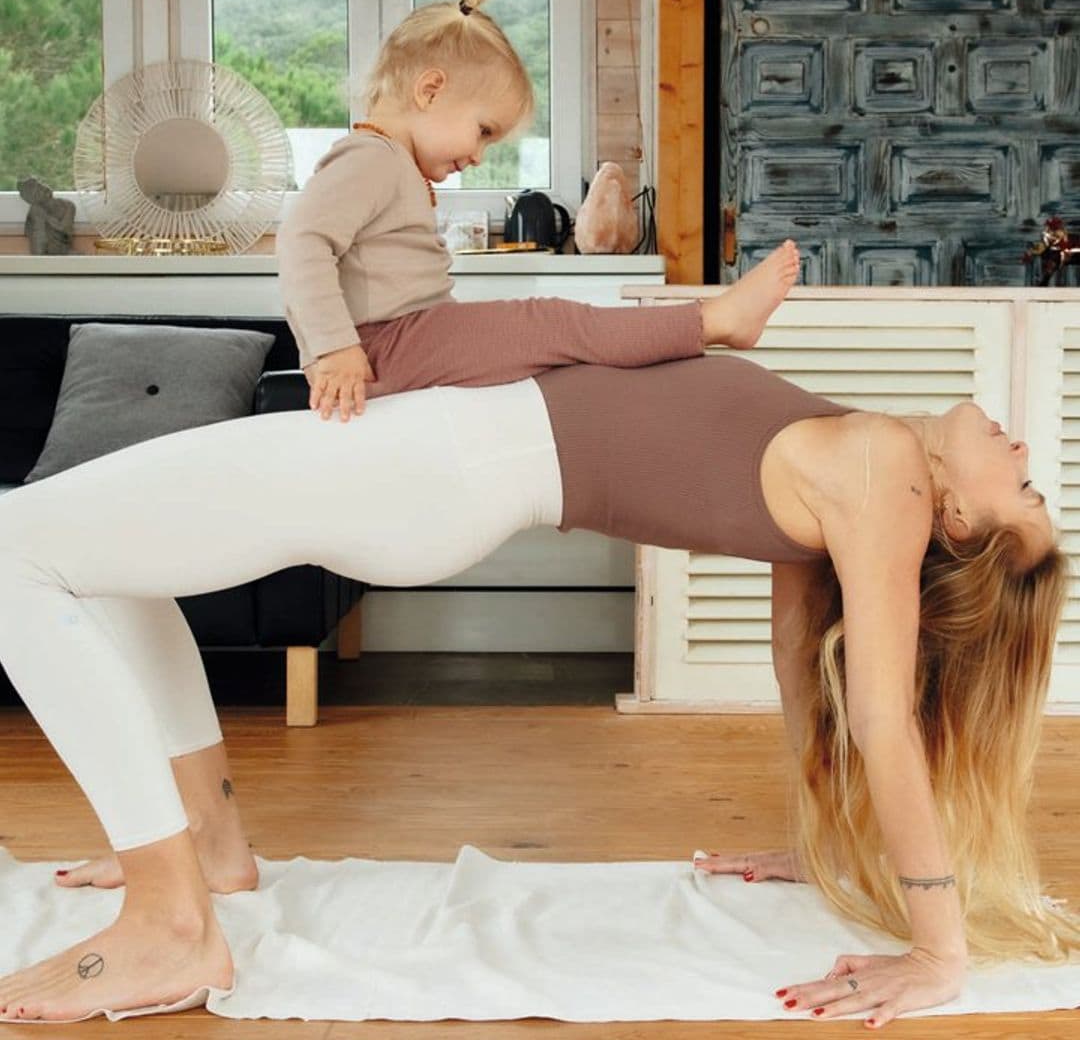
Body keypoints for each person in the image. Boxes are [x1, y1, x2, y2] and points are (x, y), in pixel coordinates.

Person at [0, 344, 1074, 1025]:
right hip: (435, 465)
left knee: (15, 551)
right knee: (88, 557)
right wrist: (821, 842)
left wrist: (939, 952)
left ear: (961, 525)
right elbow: (807, 676)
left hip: (431, 469)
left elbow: (884, 715)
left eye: (1021, 487)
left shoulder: (885, 469)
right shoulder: (858, 463)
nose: (1024, 447)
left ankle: (169, 922)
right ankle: (211, 854)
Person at [276, 0, 802, 420]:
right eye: (482, 131)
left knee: (554, 344)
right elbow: (301, 241)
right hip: (391, 344)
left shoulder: (392, 165)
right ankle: (712, 321)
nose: (480, 155)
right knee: (555, 324)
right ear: (430, 90)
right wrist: (333, 349)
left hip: (411, 337)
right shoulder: (372, 158)